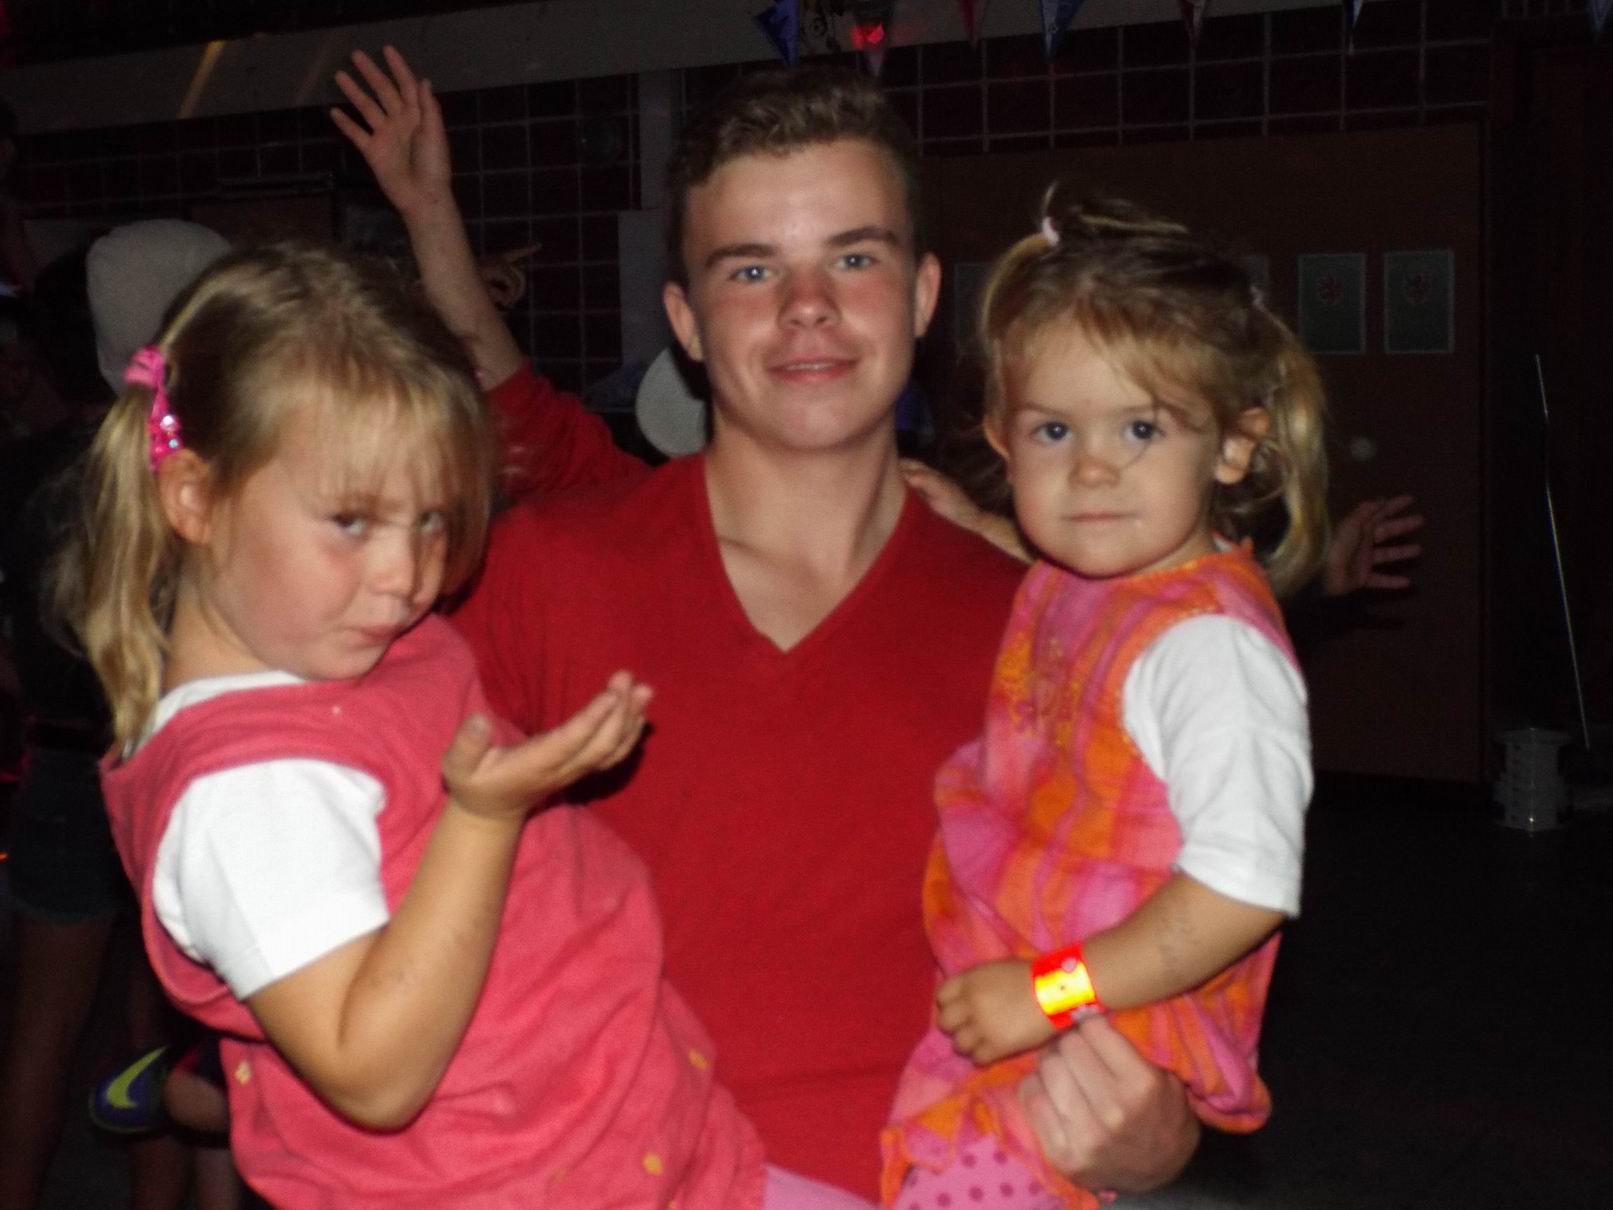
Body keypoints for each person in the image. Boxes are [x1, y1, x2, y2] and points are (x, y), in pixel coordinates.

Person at [333, 48, 1202, 1200]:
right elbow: (350, 888)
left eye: (853, 257)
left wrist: (1158, 1122)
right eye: (752, 269)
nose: (806, 306)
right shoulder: (541, 576)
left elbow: (1142, 950)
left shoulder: (1046, 635)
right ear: (685, 321)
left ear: (923, 295)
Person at [49, 242, 794, 1208]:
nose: (407, 576)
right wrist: (485, 818)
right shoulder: (246, 795)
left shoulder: (348, 642)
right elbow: (374, 1074)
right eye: (352, 521)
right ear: (195, 496)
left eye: (433, 519)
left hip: (632, 1146)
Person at [879, 193, 1326, 1209]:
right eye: (1052, 429)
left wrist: (1048, 993)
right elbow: (1080, 606)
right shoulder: (1105, 572)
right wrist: (978, 531)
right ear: (1002, 440)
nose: (1088, 469)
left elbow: (1243, 890)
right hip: (1035, 1008)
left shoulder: (1211, 654)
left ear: (1231, 445)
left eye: (1138, 427)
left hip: (1108, 1032)